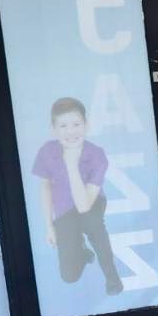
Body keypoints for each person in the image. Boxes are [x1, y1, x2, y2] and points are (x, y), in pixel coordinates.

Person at [31, 97, 123, 295]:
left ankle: (112, 279)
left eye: (76, 124)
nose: (70, 131)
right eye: (63, 125)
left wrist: (71, 163)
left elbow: (84, 206)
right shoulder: (47, 151)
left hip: (91, 203)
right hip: (64, 209)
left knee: (95, 228)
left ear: (86, 125)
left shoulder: (97, 155)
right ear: (53, 129)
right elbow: (45, 188)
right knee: (69, 276)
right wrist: (50, 227)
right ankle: (81, 251)